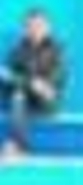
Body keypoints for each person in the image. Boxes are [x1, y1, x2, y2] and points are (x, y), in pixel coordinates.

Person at [1, 9, 67, 156]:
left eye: (38, 26)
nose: (34, 30)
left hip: (47, 101)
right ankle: (19, 146)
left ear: (47, 28)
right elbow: (8, 77)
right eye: (30, 26)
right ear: (25, 29)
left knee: (22, 96)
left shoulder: (58, 50)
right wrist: (30, 82)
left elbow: (55, 79)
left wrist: (33, 83)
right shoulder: (18, 50)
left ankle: (17, 146)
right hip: (23, 98)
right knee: (18, 96)